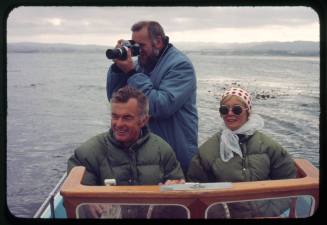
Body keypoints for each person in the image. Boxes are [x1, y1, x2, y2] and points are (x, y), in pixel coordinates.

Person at [67, 86, 185, 218]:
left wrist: (174, 190)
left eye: (127, 118)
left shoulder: (163, 151)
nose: (118, 124)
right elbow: (76, 193)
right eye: (115, 117)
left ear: (144, 120)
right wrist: (88, 200)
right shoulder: (87, 153)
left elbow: (180, 197)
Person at [187, 87, 297, 218]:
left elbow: (288, 179)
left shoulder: (269, 147)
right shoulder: (207, 151)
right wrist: (219, 214)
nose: (230, 113)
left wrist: (270, 211)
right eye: (224, 109)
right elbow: (196, 188)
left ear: (248, 112)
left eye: (237, 109)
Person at [106, 21, 198, 173]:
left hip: (174, 155)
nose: (137, 50)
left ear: (159, 41)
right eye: (133, 44)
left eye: (141, 45)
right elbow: (117, 99)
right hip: (144, 156)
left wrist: (131, 73)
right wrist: (118, 68)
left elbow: (160, 106)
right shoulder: (142, 63)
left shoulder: (180, 65)